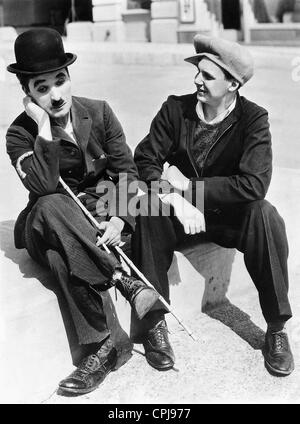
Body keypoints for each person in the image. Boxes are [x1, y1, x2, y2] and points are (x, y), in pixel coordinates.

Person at [6, 28, 160, 396]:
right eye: (42, 88)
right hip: (48, 222)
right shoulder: (19, 134)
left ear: (70, 77)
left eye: (60, 81)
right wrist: (43, 128)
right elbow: (42, 186)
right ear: (27, 92)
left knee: (64, 258)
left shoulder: (99, 112)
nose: (56, 94)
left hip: (98, 222)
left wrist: (120, 217)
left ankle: (101, 349)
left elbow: (127, 172)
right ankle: (123, 279)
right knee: (49, 204)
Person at [132, 34, 295, 376]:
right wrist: (174, 198)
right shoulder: (175, 109)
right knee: (148, 209)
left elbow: (253, 185)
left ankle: (277, 328)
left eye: (207, 76)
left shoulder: (253, 120)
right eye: (197, 73)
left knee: (265, 215)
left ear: (233, 84)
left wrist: (190, 188)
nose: (196, 81)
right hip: (181, 218)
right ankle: (155, 325)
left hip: (227, 220)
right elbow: (144, 158)